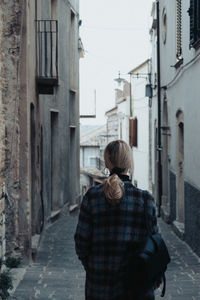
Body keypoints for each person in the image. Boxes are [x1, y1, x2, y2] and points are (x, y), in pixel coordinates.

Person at [74, 140, 158, 300]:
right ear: (129, 163)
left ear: (107, 162)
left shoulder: (92, 197)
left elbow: (81, 243)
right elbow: (154, 244)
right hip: (137, 288)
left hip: (99, 287)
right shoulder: (145, 199)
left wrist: (94, 268)